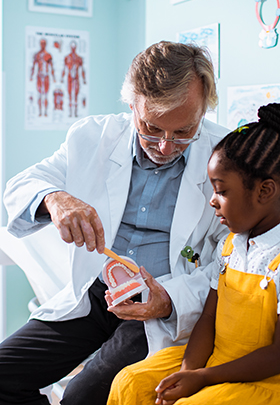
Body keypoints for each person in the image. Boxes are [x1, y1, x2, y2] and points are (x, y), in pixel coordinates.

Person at [0, 41, 228, 405]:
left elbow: (229, 263)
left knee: (81, 396)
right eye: (151, 128)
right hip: (96, 295)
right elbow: (21, 187)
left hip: (162, 301)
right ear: (132, 103)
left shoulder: (226, 156)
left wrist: (169, 299)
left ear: (204, 109)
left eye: (184, 132)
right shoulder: (92, 137)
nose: (166, 146)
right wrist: (54, 198)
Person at [107, 102, 280, 405]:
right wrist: (187, 373)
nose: (212, 201)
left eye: (221, 191)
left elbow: (276, 357)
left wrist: (201, 380)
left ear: (264, 192)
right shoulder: (231, 247)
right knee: (129, 383)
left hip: (264, 379)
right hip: (214, 361)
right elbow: (208, 318)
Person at [30, 38, 56, 117]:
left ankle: (45, 112)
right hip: (39, 76)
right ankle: (40, 112)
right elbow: (34, 66)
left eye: (44, 43)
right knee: (39, 95)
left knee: (46, 95)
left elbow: (51, 67)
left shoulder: (48, 55)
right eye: (41, 43)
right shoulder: (37, 55)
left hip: (46, 77)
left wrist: (54, 77)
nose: (43, 45)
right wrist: (31, 76)